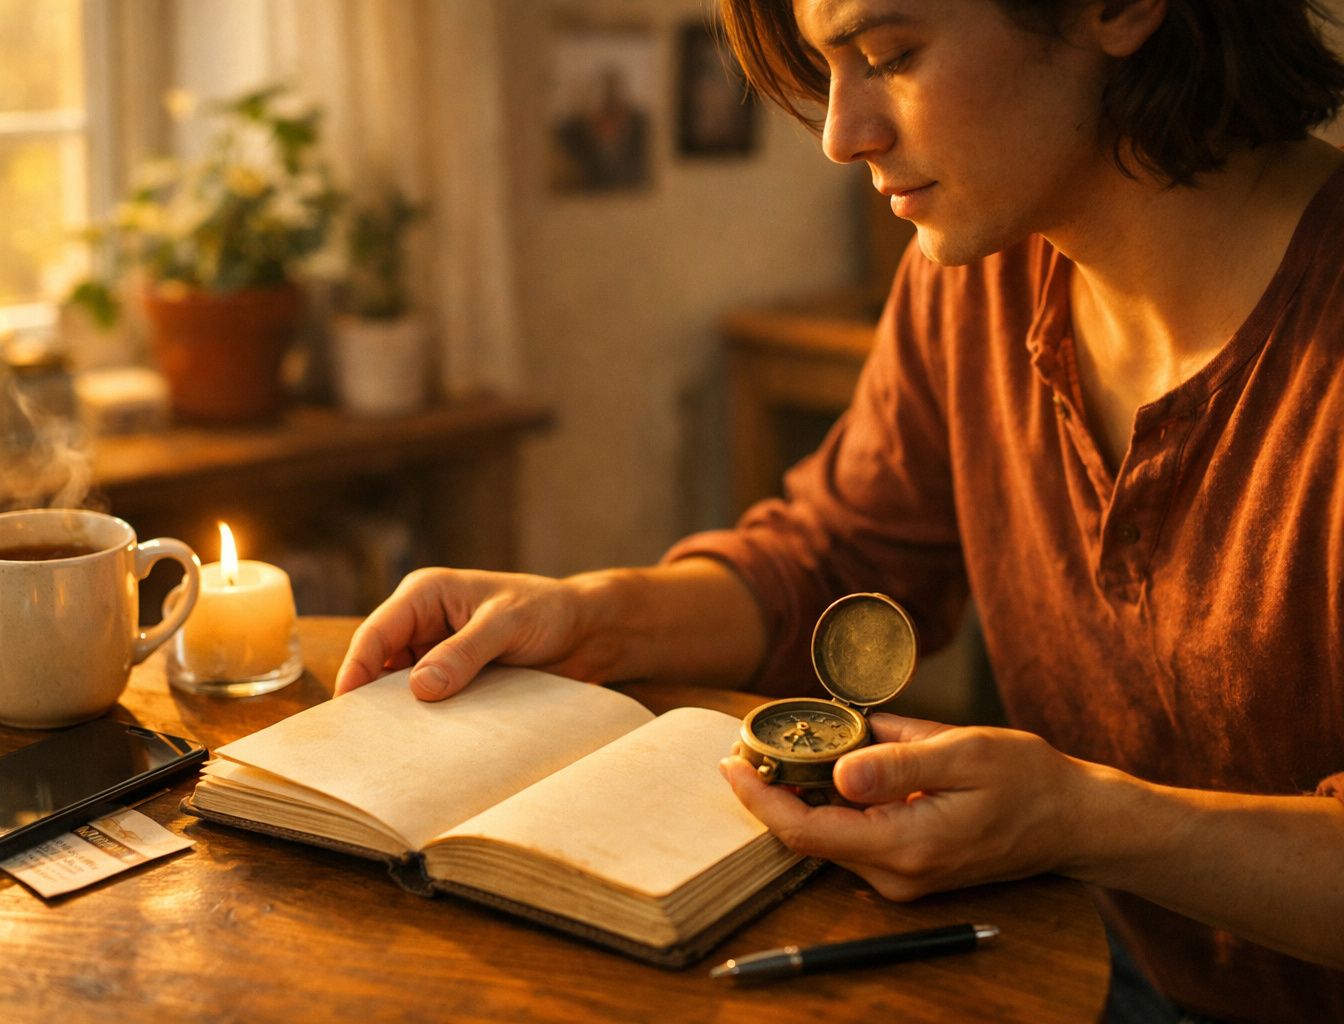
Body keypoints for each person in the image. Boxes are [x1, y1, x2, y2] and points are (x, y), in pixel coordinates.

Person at [335, 1, 1344, 1019]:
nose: (839, 135)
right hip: (1088, 952)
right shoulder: (976, 279)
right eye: (829, 72)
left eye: (890, 57)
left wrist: (1089, 821)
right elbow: (840, 554)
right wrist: (597, 614)